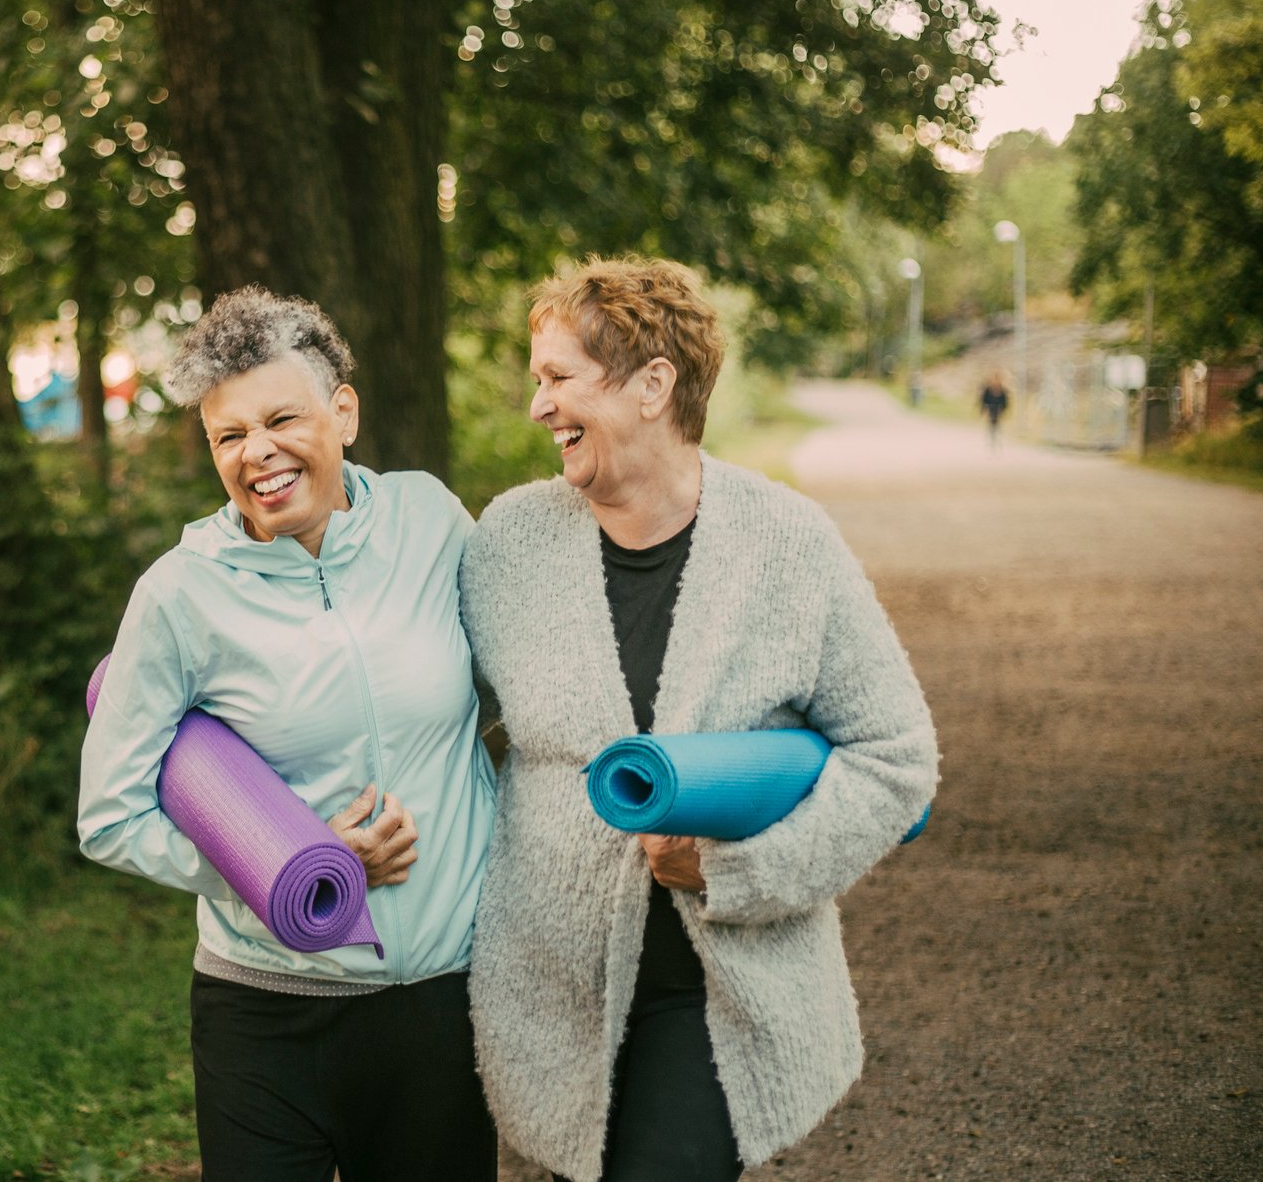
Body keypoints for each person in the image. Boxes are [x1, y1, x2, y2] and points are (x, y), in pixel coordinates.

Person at [460, 257, 938, 1182]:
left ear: (651, 384)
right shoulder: (507, 544)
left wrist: (736, 869)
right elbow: (432, 720)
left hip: (716, 993)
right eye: (537, 381)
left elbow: (895, 757)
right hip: (545, 990)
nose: (537, 406)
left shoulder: (788, 545)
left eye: (558, 378)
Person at [78, 286, 499, 1182]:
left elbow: (515, 692)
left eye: (280, 420)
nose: (255, 454)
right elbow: (108, 816)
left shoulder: (430, 521)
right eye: (228, 436)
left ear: (342, 411)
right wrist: (287, 868)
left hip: (439, 1001)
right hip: (263, 1016)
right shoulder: (178, 595)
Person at [979, 371, 1011, 449]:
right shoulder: (988, 389)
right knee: (990, 426)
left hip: (998, 411)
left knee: (997, 427)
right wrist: (983, 410)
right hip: (990, 409)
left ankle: (997, 443)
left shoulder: (1002, 390)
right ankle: (990, 443)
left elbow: (1005, 402)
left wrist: (1004, 410)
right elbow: (983, 400)